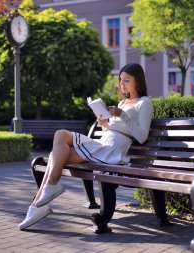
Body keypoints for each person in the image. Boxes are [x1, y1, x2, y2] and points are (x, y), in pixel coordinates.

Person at [18, 63, 153, 230]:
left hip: (112, 151)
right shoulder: (123, 102)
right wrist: (105, 123)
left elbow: (142, 136)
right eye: (120, 80)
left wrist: (122, 115)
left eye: (126, 81)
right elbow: (116, 128)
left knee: (55, 154)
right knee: (59, 138)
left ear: (137, 81)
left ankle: (37, 205)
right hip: (102, 144)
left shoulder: (144, 102)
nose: (121, 84)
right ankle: (43, 198)